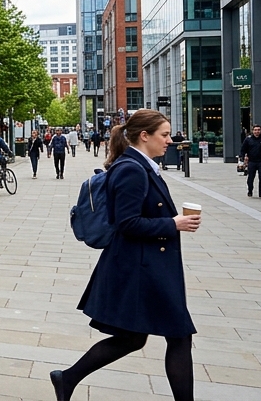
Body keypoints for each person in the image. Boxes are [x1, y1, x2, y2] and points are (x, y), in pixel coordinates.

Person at [51, 110, 200, 401]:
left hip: (144, 266)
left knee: (133, 337)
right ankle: (66, 378)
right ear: (145, 136)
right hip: (143, 269)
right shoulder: (132, 168)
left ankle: (66, 378)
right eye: (164, 135)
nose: (169, 140)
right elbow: (127, 222)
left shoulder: (138, 165)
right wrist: (173, 223)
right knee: (178, 336)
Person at [241, 125, 261, 199]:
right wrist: (243, 158)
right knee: (250, 178)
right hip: (252, 161)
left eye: (258, 130)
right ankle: (250, 190)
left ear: (260, 131)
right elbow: (243, 150)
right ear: (253, 131)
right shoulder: (248, 140)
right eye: (255, 130)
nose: (257, 131)